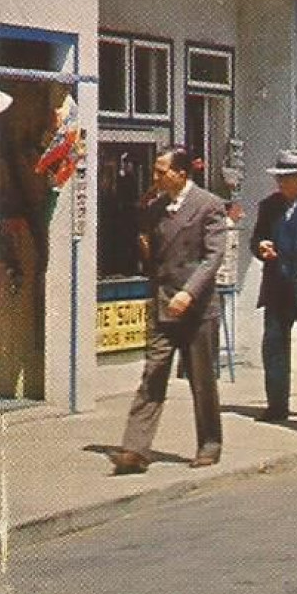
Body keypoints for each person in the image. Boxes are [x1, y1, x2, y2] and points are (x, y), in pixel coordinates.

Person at [111, 147, 230, 474]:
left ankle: (209, 443)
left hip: (196, 308)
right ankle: (135, 449)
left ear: (181, 173)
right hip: (164, 303)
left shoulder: (209, 205)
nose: (156, 177)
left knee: (201, 380)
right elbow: (149, 247)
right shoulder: (157, 207)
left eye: (162, 171)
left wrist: (189, 293)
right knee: (153, 374)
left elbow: (213, 257)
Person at [248, 150, 297, 423]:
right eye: (278, 178)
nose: (280, 184)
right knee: (274, 346)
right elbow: (257, 236)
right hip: (277, 288)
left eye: (286, 178)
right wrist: (260, 247)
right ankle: (277, 405)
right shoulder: (269, 206)